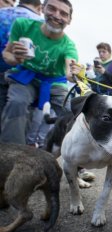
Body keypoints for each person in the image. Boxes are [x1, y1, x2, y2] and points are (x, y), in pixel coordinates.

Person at [0, 0, 82, 145]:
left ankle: (75, 151)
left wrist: (74, 73)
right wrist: (16, 58)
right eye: (52, 9)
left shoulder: (69, 46)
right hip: (25, 77)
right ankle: (13, 150)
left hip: (54, 82)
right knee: (17, 102)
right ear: (43, 8)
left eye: (63, 13)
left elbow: (69, 71)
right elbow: (7, 54)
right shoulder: (23, 25)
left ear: (69, 20)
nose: (57, 16)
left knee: (72, 113)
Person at [0, 0, 43, 133]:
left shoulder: (2, 13)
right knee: (16, 122)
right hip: (24, 79)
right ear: (40, 7)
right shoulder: (40, 23)